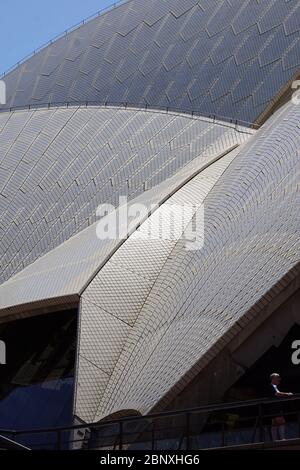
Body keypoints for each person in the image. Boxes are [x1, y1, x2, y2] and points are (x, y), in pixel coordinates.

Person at [269, 373, 293, 441]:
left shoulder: (275, 386)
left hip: (275, 408)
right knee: (281, 421)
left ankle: (275, 440)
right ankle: (282, 439)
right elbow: (277, 394)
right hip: (274, 408)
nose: (279, 379)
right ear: (273, 379)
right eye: (278, 377)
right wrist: (288, 394)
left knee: (275, 423)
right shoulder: (272, 386)